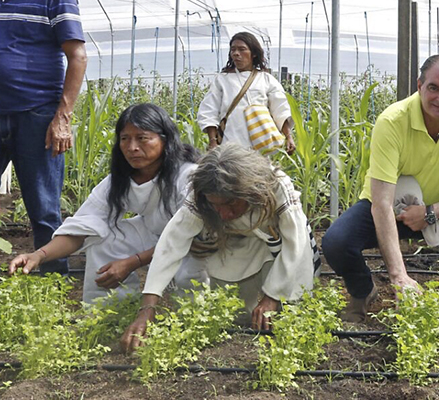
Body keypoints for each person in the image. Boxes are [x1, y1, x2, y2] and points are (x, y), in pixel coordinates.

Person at [322, 54, 439, 322]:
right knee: (336, 242)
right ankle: (363, 291)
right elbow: (381, 203)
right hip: (386, 210)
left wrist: (431, 212)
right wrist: (399, 276)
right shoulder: (393, 120)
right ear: (419, 86)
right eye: (434, 88)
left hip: (434, 211)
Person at [121, 144, 318, 352]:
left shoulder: (277, 186)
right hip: (238, 244)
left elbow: (295, 244)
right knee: (236, 317)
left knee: (289, 312)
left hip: (282, 247)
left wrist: (272, 297)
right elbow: (171, 245)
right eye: (216, 206)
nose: (223, 214)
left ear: (251, 191)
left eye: (231, 204)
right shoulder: (201, 193)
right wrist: (147, 308)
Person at [7, 104, 205, 303]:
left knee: (189, 273)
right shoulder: (120, 180)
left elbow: (186, 238)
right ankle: (109, 311)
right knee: (104, 240)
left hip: (193, 244)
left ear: (165, 139)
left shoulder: (188, 176)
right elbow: (82, 227)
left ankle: (191, 316)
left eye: (142, 138)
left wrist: (133, 262)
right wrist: (38, 255)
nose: (132, 147)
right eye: (125, 139)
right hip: (154, 236)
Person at [0, 0, 87, 274]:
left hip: (38, 115)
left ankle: (53, 285)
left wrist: (62, 118)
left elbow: (78, 56)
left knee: (44, 210)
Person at [198, 32, 295, 155]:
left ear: (253, 53)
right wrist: (213, 141)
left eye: (242, 49)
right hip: (230, 148)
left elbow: (280, 110)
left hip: (260, 149)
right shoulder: (222, 80)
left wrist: (289, 137)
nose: (236, 53)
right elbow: (209, 110)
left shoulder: (266, 79)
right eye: (233, 49)